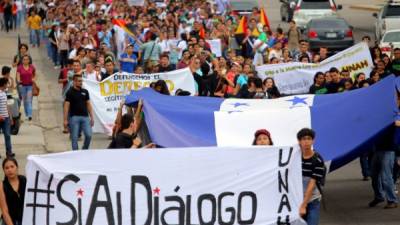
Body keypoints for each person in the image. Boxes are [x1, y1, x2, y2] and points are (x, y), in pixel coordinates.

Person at [369, 116, 399, 208]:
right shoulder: (379, 118)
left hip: (388, 150)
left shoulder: (394, 117)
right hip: (378, 150)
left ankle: (392, 200)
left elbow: (397, 123)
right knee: (374, 176)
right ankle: (379, 196)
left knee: (386, 176)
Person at [298, 128, 326, 225]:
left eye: (309, 139)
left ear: (313, 141)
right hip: (297, 198)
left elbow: (312, 183)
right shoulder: (296, 158)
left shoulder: (317, 160)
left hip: (313, 199)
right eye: (303, 139)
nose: (306, 142)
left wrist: (303, 205)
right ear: (299, 141)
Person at [64, 75, 94, 150]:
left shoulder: (85, 92)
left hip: (85, 117)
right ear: (74, 81)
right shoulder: (69, 92)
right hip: (74, 118)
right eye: (79, 81)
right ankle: (75, 154)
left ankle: (84, 149)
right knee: (74, 138)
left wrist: (92, 117)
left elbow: (88, 104)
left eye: (81, 81)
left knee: (89, 135)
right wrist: (65, 120)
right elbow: (66, 106)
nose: (81, 82)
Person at [0, 158, 26, 225]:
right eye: (7, 168)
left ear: (17, 167)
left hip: (24, 219)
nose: (10, 170)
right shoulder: (2, 185)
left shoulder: (24, 180)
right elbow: (4, 211)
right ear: (4, 170)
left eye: (12, 166)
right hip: (8, 221)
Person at [16, 54, 35, 121]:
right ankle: (27, 114)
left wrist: (33, 79)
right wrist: (19, 82)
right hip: (22, 86)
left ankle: (30, 115)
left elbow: (35, 74)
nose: (26, 61)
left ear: (29, 60)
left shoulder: (32, 67)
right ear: (22, 60)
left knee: (29, 100)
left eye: (27, 59)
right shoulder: (20, 67)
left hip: (30, 85)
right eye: (24, 59)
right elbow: (18, 76)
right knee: (24, 101)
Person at [0, 78, 14, 158]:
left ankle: (9, 152)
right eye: (6, 83)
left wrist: (10, 117)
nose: (7, 85)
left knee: (7, 135)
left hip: (6, 118)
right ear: (3, 84)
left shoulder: (5, 93)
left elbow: (7, 105)